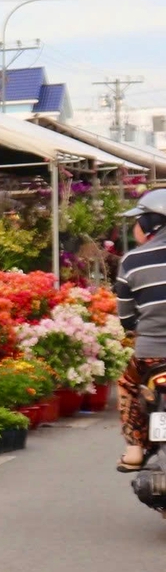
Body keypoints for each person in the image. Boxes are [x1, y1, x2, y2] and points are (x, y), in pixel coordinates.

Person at [114, 189, 166, 470]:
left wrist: (134, 327)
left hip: (150, 356)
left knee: (128, 386)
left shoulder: (132, 260)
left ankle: (134, 449)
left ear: (150, 224)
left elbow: (125, 314)